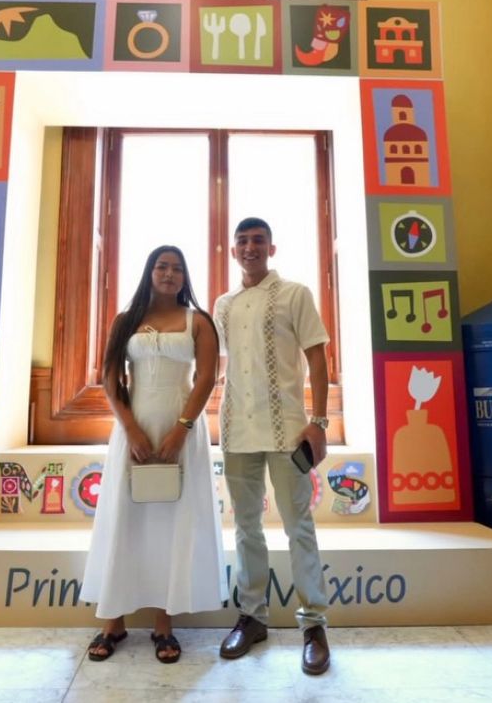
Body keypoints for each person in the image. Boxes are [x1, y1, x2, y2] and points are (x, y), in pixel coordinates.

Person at [79, 245, 227, 664]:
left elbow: (206, 379)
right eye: (162, 266)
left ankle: (164, 625)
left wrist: (182, 429)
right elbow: (110, 377)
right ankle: (113, 622)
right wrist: (129, 428)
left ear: (184, 276)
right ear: (149, 272)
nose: (169, 273)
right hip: (134, 430)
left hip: (182, 432)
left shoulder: (198, 321)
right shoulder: (125, 320)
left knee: (173, 524)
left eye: (177, 268)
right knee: (123, 519)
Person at [213, 217, 332, 675]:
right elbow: (219, 366)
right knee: (246, 527)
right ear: (233, 251)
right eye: (242, 241)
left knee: (298, 526)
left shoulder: (295, 294)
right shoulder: (224, 304)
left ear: (271, 248)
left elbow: (317, 357)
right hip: (237, 431)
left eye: (258, 240)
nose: (250, 247)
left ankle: (314, 625)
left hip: (289, 431)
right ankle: (252, 617)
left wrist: (319, 422)